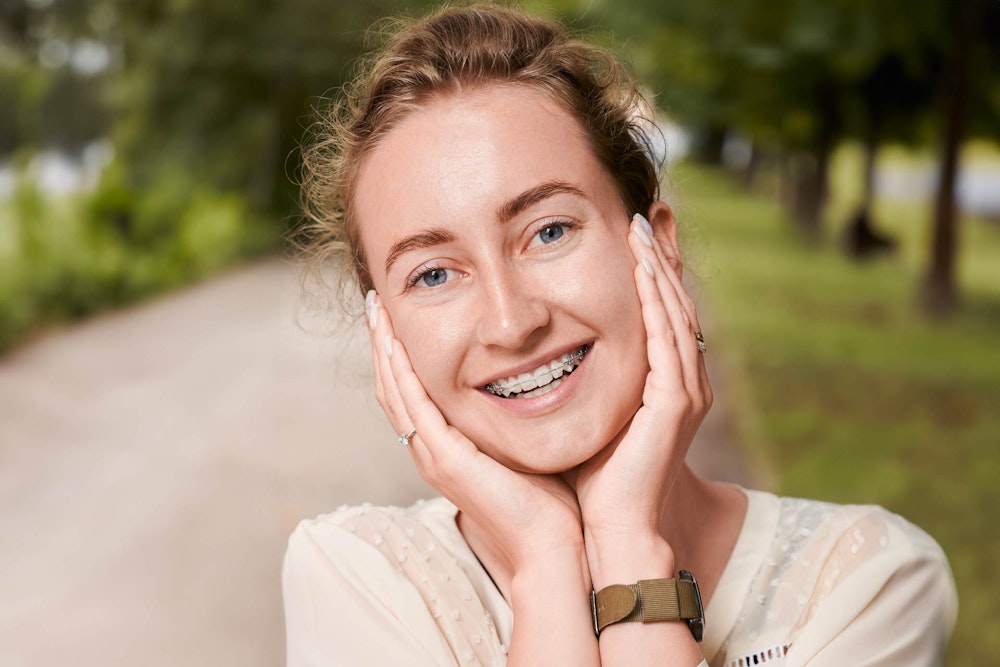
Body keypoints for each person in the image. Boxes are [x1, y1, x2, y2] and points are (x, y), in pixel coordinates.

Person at [284, 5, 957, 665]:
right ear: (387, 333)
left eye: (548, 231)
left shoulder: (867, 582)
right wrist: (546, 560)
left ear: (658, 248)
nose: (512, 323)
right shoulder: (360, 576)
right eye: (434, 275)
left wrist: (628, 540)